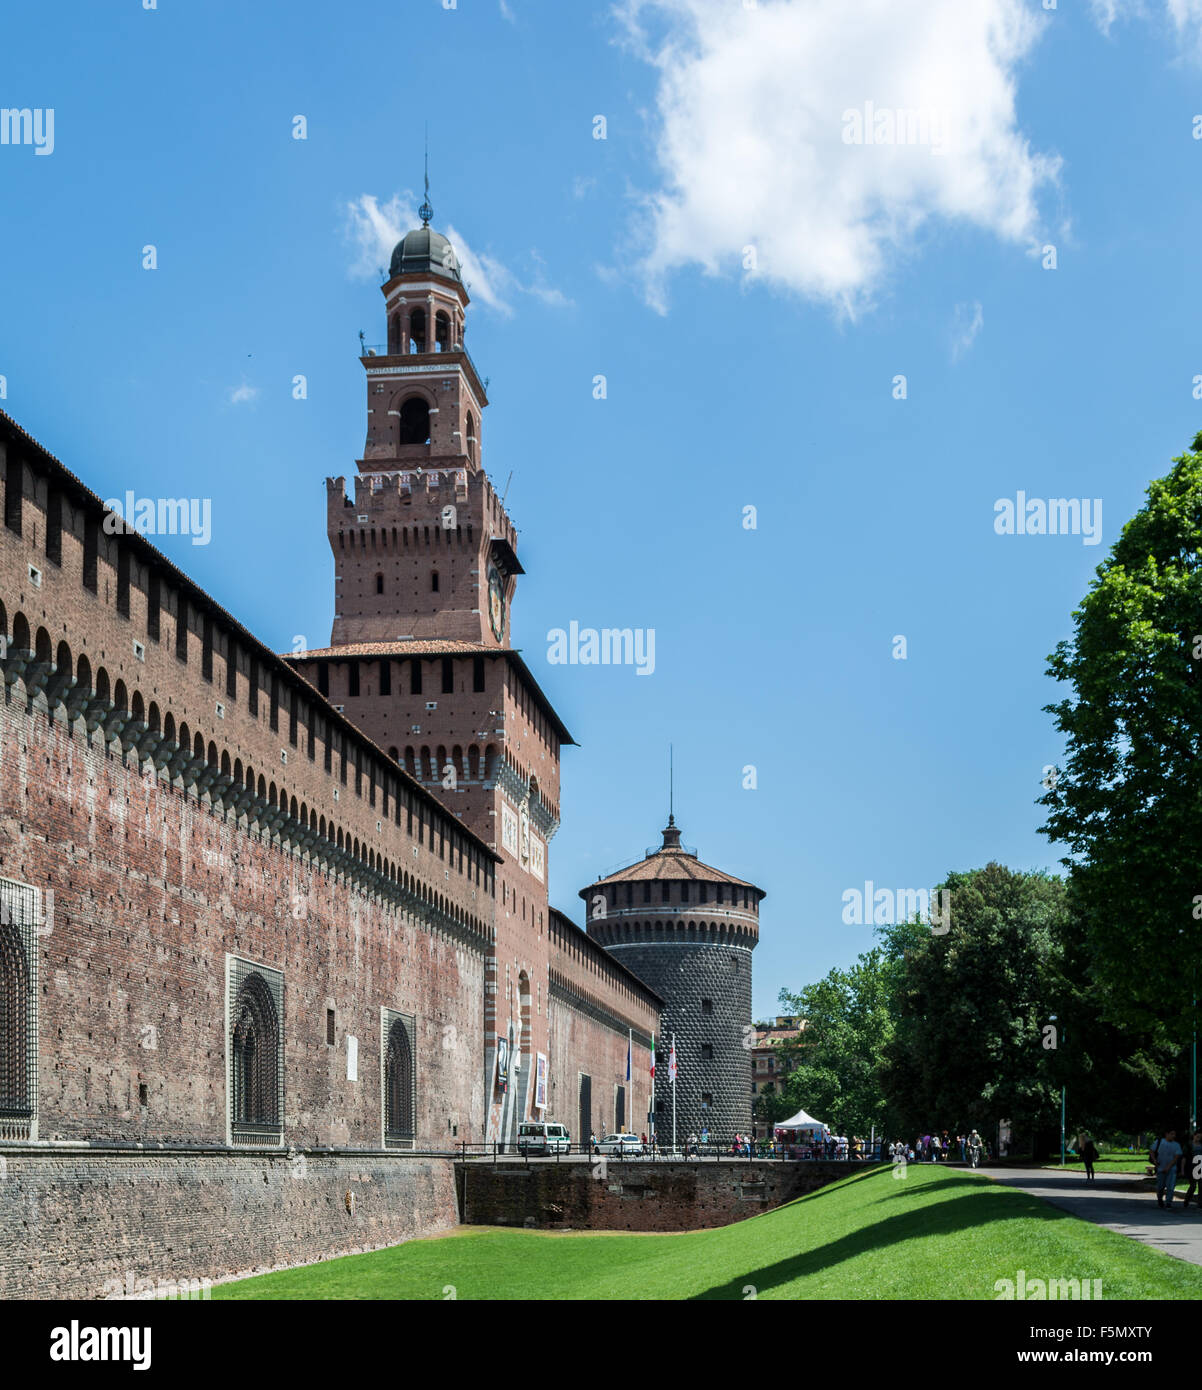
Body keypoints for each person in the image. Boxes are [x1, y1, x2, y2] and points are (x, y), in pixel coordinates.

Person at [1153, 1127, 1183, 1209]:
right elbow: (1151, 1151)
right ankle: (1160, 1199)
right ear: (1167, 1134)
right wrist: (1154, 1160)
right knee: (1160, 1186)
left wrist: (1168, 1167)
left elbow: (1176, 1158)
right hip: (1160, 1168)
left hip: (1171, 1169)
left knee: (1170, 1186)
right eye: (1172, 1134)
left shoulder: (1176, 1145)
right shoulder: (1159, 1142)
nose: (1173, 1136)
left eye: (1174, 1134)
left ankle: (1168, 1202)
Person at [1182, 1132, 1202, 1209]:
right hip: (1191, 1167)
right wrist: (1183, 1170)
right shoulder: (1188, 1145)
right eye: (1197, 1136)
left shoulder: (1201, 1145)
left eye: (1200, 1137)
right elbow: (1184, 1158)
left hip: (1200, 1167)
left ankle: (1200, 1204)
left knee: (1201, 1186)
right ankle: (1187, 1200)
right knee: (1193, 1186)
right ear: (1194, 1136)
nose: (1198, 1138)